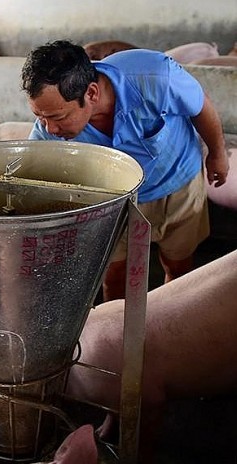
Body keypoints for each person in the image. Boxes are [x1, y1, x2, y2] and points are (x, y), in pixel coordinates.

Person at [21, 40, 230, 300]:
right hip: (114, 199)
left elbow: (200, 106)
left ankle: (167, 325)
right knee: (113, 274)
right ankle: (119, 332)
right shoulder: (47, 129)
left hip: (176, 183)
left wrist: (218, 154)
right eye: (40, 117)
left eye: (58, 117)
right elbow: (28, 173)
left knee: (178, 268)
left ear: (92, 94)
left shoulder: (155, 77)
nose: (49, 128)